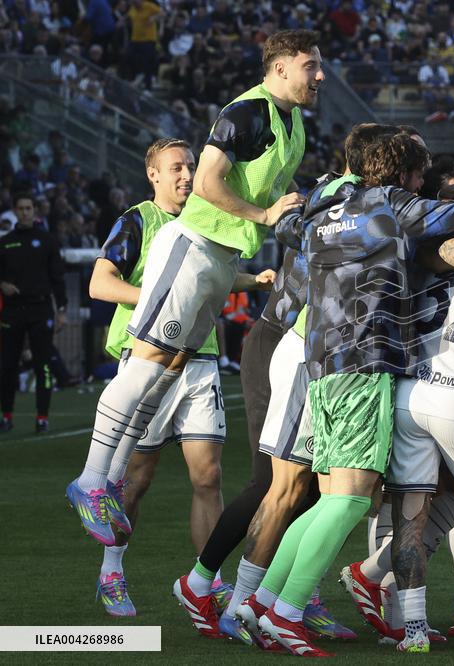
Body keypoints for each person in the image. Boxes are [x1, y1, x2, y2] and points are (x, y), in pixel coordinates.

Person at [236, 132, 454, 657]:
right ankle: (284, 613)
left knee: (331, 499)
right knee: (350, 500)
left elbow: (289, 227)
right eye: (418, 176)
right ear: (403, 175)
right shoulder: (389, 206)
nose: (421, 185)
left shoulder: (326, 210)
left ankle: (259, 603)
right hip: (364, 361)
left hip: (321, 363)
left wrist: (281, 212)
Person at [67, 28, 322, 604]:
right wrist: (264, 214)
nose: (319, 76)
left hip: (220, 258)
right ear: (281, 68)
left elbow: (270, 188)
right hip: (194, 248)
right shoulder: (247, 111)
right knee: (144, 363)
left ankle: (111, 493)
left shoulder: (292, 123)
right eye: (311, 65)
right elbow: (207, 181)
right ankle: (91, 480)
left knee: (162, 370)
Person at [178, 125, 398, 645]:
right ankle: (215, 590)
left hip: (308, 344)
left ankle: (287, 597)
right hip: (289, 340)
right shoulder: (341, 201)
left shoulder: (337, 198)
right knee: (277, 484)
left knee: (315, 487)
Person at [87, 138, 272, 619]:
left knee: (208, 476)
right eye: (175, 168)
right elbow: (99, 283)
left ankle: (208, 583)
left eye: (191, 166)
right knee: (137, 478)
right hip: (148, 359)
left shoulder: (205, 218)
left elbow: (208, 281)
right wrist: (161, 298)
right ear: (153, 174)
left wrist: (253, 281)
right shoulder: (137, 221)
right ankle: (111, 572)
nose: (187, 175)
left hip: (200, 357)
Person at [0, 191, 66, 433]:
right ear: (15, 211)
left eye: (28, 208)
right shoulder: (5, 242)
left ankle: (42, 418)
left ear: (34, 210)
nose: (25, 212)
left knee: (43, 365)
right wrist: (2, 284)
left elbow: (58, 278)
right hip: (13, 310)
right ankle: (6, 416)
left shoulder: (47, 241)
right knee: (7, 366)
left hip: (40, 309)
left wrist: (61, 310)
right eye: (21, 208)